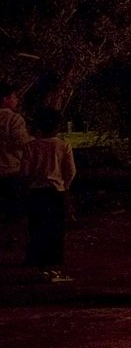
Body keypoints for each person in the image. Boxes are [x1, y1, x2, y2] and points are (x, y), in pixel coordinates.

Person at [21, 106, 75, 283]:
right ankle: (54, 266)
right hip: (55, 193)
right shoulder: (63, 145)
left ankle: (40, 265)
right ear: (57, 126)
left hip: (36, 192)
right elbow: (70, 171)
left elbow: (25, 171)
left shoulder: (31, 146)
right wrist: (64, 185)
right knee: (56, 229)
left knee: (37, 227)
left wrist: (29, 185)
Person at [0, 83, 34, 239]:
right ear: (6, 99)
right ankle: (10, 240)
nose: (16, 100)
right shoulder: (13, 119)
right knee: (13, 210)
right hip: (10, 169)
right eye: (14, 97)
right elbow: (22, 142)